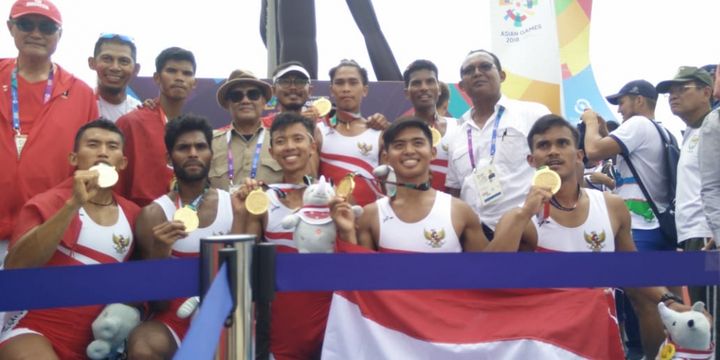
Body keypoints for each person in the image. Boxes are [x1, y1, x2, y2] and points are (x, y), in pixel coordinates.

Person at [493, 114, 699, 359]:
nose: (553, 151)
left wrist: (669, 301)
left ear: (579, 155)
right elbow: (490, 275)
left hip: (599, 337)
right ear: (531, 159)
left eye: (562, 143)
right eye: (543, 146)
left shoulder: (612, 206)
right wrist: (525, 213)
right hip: (546, 344)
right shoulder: (519, 217)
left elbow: (632, 270)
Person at [0, 119, 140, 359]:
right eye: (93, 144)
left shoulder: (134, 214)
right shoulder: (47, 202)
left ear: (123, 162)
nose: (103, 153)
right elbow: (17, 267)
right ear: (73, 158)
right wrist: (73, 205)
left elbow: (140, 283)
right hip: (33, 330)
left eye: (112, 147)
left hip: (97, 346)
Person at [126, 114, 233, 358]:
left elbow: (245, 277)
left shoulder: (234, 205)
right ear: (169, 158)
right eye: (183, 147)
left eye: (200, 146)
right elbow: (158, 303)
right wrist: (160, 255)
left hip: (225, 317)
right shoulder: (153, 214)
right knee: (142, 346)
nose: (193, 153)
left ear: (211, 154)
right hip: (174, 319)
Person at [0, 0, 98, 266]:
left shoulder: (81, 93)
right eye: (25, 24)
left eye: (46, 27)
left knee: (33, 308)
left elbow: (90, 163)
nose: (36, 33)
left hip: (45, 230)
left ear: (59, 35)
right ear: (10, 28)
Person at [330, 118, 522, 253]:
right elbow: (362, 282)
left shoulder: (459, 211)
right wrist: (347, 232)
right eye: (399, 145)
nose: (409, 151)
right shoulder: (370, 215)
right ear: (386, 157)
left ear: (432, 152)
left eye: (418, 143)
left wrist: (522, 215)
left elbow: (487, 275)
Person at [234, 112, 330, 359]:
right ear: (272, 150)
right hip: (282, 319)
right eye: (280, 141)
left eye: (297, 139)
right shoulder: (262, 200)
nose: (289, 147)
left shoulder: (332, 197)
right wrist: (240, 213)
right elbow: (247, 261)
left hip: (328, 314)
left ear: (312, 145)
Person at [445, 49, 551, 240]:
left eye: (485, 66)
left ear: (502, 76)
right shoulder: (456, 133)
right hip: (475, 238)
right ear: (462, 86)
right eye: (469, 71)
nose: (477, 73)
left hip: (527, 232)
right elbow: (455, 190)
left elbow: (560, 165)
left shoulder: (533, 114)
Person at [116, 47, 197, 207]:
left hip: (185, 218)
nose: (179, 78)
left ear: (194, 83)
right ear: (157, 78)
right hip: (141, 220)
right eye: (172, 71)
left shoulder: (193, 130)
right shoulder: (132, 123)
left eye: (187, 73)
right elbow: (117, 185)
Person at [317, 59, 384, 206]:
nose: (346, 88)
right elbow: (309, 180)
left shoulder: (379, 133)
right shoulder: (319, 130)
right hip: (329, 218)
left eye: (353, 83)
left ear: (365, 90)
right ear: (331, 90)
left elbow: (388, 187)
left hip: (368, 220)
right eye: (340, 83)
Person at [210, 69, 283, 192]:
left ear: (264, 101)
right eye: (236, 96)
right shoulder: (209, 143)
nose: (245, 100)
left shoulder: (280, 141)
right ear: (228, 103)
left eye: (253, 94)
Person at [402, 60, 460, 191]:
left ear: (439, 89)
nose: (424, 87)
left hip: (453, 207)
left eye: (430, 81)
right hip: (414, 206)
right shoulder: (398, 132)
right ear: (407, 93)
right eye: (417, 83)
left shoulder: (458, 127)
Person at [88, 33, 141, 122]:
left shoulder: (139, 111)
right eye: (107, 59)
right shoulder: (82, 105)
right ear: (92, 63)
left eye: (124, 61)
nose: (115, 67)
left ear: (136, 69)